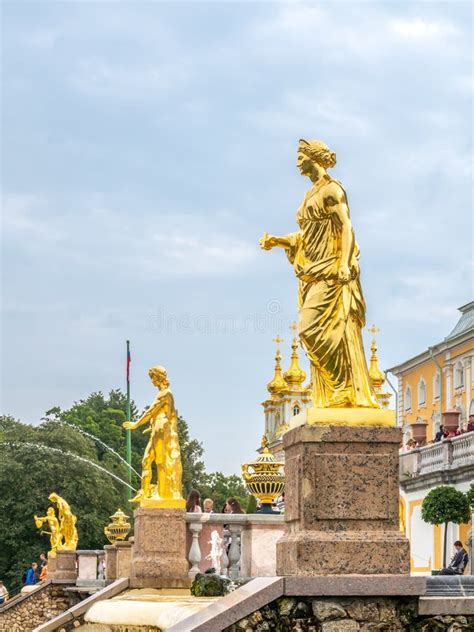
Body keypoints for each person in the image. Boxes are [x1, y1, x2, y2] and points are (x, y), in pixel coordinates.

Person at [260, 139, 379, 409]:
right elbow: (307, 236)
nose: (297, 161)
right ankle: (338, 389)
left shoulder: (332, 190)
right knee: (310, 331)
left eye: (301, 155)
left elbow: (347, 227)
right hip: (312, 273)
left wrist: (345, 264)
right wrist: (277, 241)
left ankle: (343, 388)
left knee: (314, 329)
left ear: (315, 157)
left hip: (331, 271)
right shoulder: (310, 194)